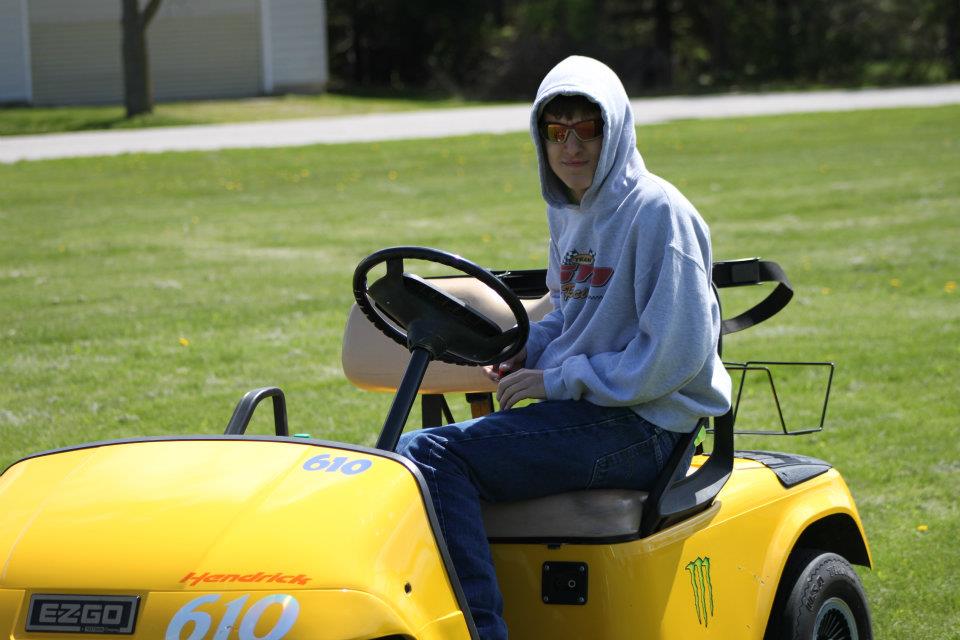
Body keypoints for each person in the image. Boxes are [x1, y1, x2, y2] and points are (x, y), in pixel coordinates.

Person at [396, 55, 731, 640]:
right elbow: (570, 315)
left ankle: (478, 632)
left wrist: (555, 380)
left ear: (615, 128)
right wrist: (526, 350)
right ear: (541, 138)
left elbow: (674, 355)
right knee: (398, 454)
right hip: (596, 411)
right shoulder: (570, 212)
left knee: (431, 456)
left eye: (588, 128)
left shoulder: (658, 213)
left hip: (646, 424)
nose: (571, 146)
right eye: (557, 131)